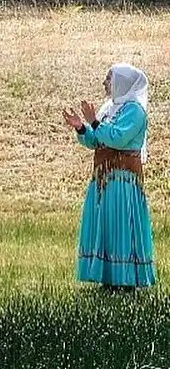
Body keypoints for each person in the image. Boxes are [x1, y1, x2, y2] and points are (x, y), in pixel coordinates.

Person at [62, 63, 156, 289]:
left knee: (120, 225)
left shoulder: (135, 111)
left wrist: (94, 122)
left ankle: (125, 279)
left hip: (122, 180)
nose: (105, 83)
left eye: (109, 79)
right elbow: (96, 140)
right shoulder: (109, 108)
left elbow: (117, 138)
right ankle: (107, 277)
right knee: (106, 225)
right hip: (104, 178)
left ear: (122, 83)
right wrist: (81, 128)